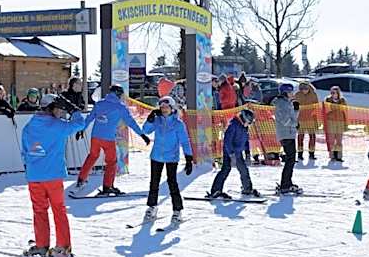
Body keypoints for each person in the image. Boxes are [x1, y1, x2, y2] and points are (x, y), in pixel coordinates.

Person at [20, 95, 86, 257]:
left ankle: (42, 245)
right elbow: (80, 124)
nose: (61, 113)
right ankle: (63, 245)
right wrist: (74, 111)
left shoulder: (28, 127)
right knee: (58, 209)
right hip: (53, 177)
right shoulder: (58, 126)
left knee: (39, 210)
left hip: (34, 176)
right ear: (52, 108)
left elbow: (24, 152)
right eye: (59, 109)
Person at [76, 84, 151, 196]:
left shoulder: (100, 103)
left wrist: (81, 130)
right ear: (118, 94)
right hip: (108, 139)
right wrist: (142, 135)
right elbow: (131, 122)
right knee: (111, 162)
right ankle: (107, 187)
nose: (121, 97)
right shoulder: (120, 107)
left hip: (95, 137)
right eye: (121, 94)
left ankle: (81, 179)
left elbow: (89, 118)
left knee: (92, 156)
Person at [142, 96, 194, 226]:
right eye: (162, 107)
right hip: (157, 156)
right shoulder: (157, 121)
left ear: (172, 108)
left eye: (166, 107)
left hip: (171, 157)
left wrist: (189, 158)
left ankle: (177, 210)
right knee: (154, 183)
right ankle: (152, 207)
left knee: (172, 183)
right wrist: (150, 119)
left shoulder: (178, 124)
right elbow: (145, 130)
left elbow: (185, 142)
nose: (164, 110)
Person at [206, 108, 260, 199]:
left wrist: (247, 153)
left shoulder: (244, 127)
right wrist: (231, 154)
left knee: (243, 170)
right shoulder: (233, 125)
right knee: (225, 170)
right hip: (229, 151)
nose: (249, 124)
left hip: (238, 152)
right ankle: (216, 190)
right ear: (244, 118)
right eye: (249, 122)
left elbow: (246, 140)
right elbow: (227, 141)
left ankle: (247, 188)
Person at [274, 83, 301, 194]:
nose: (292, 94)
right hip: (286, 134)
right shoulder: (281, 104)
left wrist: (296, 110)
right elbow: (285, 120)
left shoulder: (287, 103)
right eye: (290, 92)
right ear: (285, 93)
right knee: (290, 160)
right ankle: (285, 184)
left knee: (291, 160)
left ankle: (287, 182)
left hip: (290, 133)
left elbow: (292, 117)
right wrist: (295, 124)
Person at [293, 81, 320, 160]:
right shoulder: (297, 95)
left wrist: (315, 116)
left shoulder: (313, 95)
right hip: (300, 119)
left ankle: (311, 153)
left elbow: (316, 106)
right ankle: (300, 154)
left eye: (306, 88)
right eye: (302, 88)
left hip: (311, 119)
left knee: (312, 136)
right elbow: (294, 105)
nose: (304, 90)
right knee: (300, 137)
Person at [324, 85, 348, 162]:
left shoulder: (342, 101)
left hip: (340, 122)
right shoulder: (327, 100)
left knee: (339, 140)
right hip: (330, 122)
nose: (334, 94)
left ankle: (339, 156)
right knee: (331, 140)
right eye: (333, 92)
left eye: (336, 93)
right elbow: (325, 111)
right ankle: (332, 155)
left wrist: (346, 123)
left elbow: (345, 112)